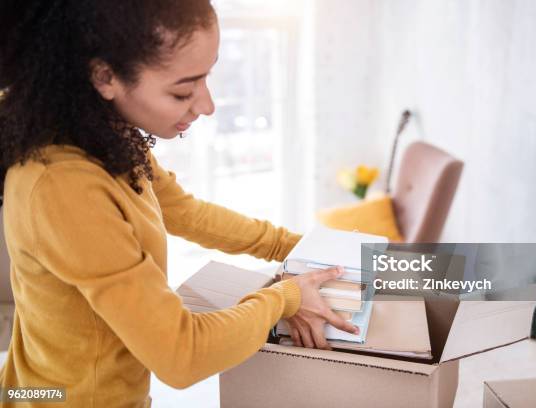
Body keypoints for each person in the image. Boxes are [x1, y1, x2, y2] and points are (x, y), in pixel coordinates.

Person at [0, 1, 358, 406]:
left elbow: (185, 212)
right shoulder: (63, 185)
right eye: (183, 90)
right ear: (104, 76)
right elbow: (181, 354)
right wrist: (284, 297)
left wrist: (296, 247)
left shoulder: (105, 134)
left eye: (206, 77)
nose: (206, 105)